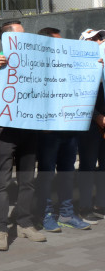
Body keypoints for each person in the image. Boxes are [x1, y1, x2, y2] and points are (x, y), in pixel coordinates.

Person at [0, 20, 46, 252]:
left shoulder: (33, 61)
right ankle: (0, 228)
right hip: (3, 128)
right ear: (8, 39)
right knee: (2, 181)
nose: (25, 37)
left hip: (28, 125)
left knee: (28, 178)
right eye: (20, 35)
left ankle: (24, 222)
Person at [31, 27, 91, 233]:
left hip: (69, 128)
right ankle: (45, 214)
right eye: (58, 42)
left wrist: (94, 66)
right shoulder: (35, 67)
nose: (62, 45)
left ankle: (66, 212)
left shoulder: (69, 64)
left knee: (67, 172)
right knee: (47, 173)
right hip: (48, 132)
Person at [77, 28, 105, 223]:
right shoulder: (79, 68)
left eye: (99, 37)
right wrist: (97, 117)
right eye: (94, 39)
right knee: (87, 165)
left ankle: (100, 204)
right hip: (88, 125)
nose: (99, 41)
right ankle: (84, 207)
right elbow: (79, 97)